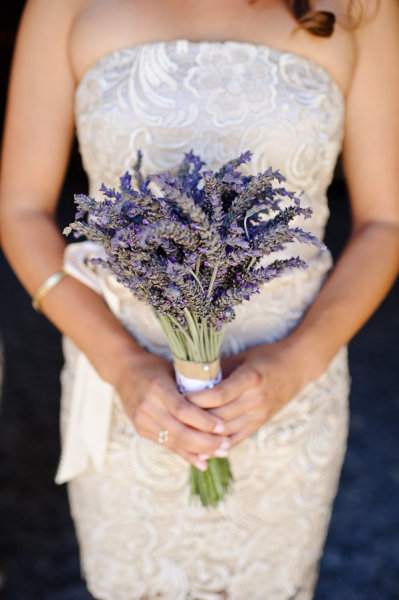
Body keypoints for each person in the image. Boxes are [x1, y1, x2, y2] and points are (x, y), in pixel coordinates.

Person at [0, 0, 398, 598]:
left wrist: (296, 364)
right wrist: (124, 367)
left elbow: (386, 224)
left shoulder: (363, 8)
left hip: (288, 390)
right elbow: (20, 211)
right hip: (121, 388)